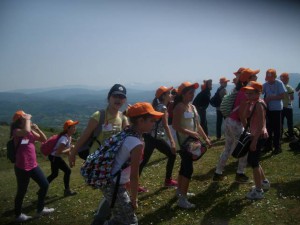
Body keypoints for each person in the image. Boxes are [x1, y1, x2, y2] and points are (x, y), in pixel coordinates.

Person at [101, 102, 164, 225]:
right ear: (141, 121)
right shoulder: (136, 143)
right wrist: (134, 199)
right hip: (115, 185)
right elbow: (134, 175)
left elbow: (122, 161)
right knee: (131, 221)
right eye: (151, 120)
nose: (154, 123)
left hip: (111, 181)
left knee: (120, 217)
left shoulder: (127, 133)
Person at [213, 68, 259, 183]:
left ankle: (218, 173)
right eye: (254, 76)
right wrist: (247, 129)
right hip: (236, 123)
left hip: (229, 121)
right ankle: (240, 174)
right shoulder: (245, 93)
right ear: (249, 79)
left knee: (227, 148)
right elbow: (241, 114)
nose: (256, 78)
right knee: (244, 148)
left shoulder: (238, 90)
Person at [172, 82, 211, 209]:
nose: (193, 95)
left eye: (193, 93)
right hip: (183, 144)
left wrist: (205, 137)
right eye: (190, 93)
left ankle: (179, 191)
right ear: (182, 94)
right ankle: (183, 199)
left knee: (184, 166)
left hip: (191, 142)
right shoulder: (179, 107)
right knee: (188, 169)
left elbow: (198, 125)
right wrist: (191, 133)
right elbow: (176, 126)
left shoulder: (192, 107)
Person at [69, 84, 129, 166]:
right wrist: (73, 153)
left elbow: (129, 134)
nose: (118, 99)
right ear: (109, 98)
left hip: (113, 159)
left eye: (121, 97)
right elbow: (85, 135)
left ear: (124, 100)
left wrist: (133, 116)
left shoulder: (123, 117)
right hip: (96, 158)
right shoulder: (98, 115)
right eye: (115, 96)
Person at [11, 110, 54, 222]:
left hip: (33, 165)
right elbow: (25, 131)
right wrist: (28, 119)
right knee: (22, 191)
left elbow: (44, 139)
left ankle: (40, 209)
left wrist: (37, 129)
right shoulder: (17, 131)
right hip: (22, 167)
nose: (27, 120)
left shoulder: (29, 132)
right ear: (20, 121)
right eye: (23, 119)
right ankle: (18, 215)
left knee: (44, 185)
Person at [138, 86, 177, 192]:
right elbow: (165, 125)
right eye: (169, 93)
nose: (171, 95)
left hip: (149, 136)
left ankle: (134, 184)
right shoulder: (163, 108)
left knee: (144, 161)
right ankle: (168, 180)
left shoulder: (156, 105)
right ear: (163, 96)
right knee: (172, 155)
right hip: (156, 138)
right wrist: (172, 142)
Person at [239, 82, 270, 199]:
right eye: (247, 93)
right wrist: (247, 104)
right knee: (255, 160)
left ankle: (258, 190)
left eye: (251, 93)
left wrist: (254, 141)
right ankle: (264, 182)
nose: (248, 96)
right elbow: (245, 116)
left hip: (259, 136)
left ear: (258, 93)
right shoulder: (254, 103)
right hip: (256, 135)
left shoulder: (259, 104)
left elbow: (262, 123)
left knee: (254, 162)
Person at [47, 120, 79, 197]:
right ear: (67, 129)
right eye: (73, 127)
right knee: (67, 171)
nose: (75, 128)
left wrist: (70, 160)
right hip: (55, 157)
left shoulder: (69, 137)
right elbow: (58, 152)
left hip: (53, 156)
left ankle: (42, 189)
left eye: (75, 126)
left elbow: (67, 151)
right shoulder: (63, 139)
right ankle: (67, 191)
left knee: (54, 174)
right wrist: (70, 148)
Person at [263, 69, 286, 154]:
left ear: (274, 77)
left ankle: (277, 147)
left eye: (271, 77)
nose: (269, 79)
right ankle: (268, 146)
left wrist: (270, 98)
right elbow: (260, 92)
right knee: (268, 128)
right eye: (268, 77)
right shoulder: (265, 85)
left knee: (277, 129)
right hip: (268, 109)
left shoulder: (279, 83)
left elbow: (282, 96)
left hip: (277, 109)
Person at [280, 73, 296, 141]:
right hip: (288, 107)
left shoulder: (279, 86)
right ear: (287, 79)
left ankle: (279, 136)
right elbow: (292, 98)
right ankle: (291, 136)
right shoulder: (289, 87)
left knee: (281, 122)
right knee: (290, 122)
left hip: (280, 107)